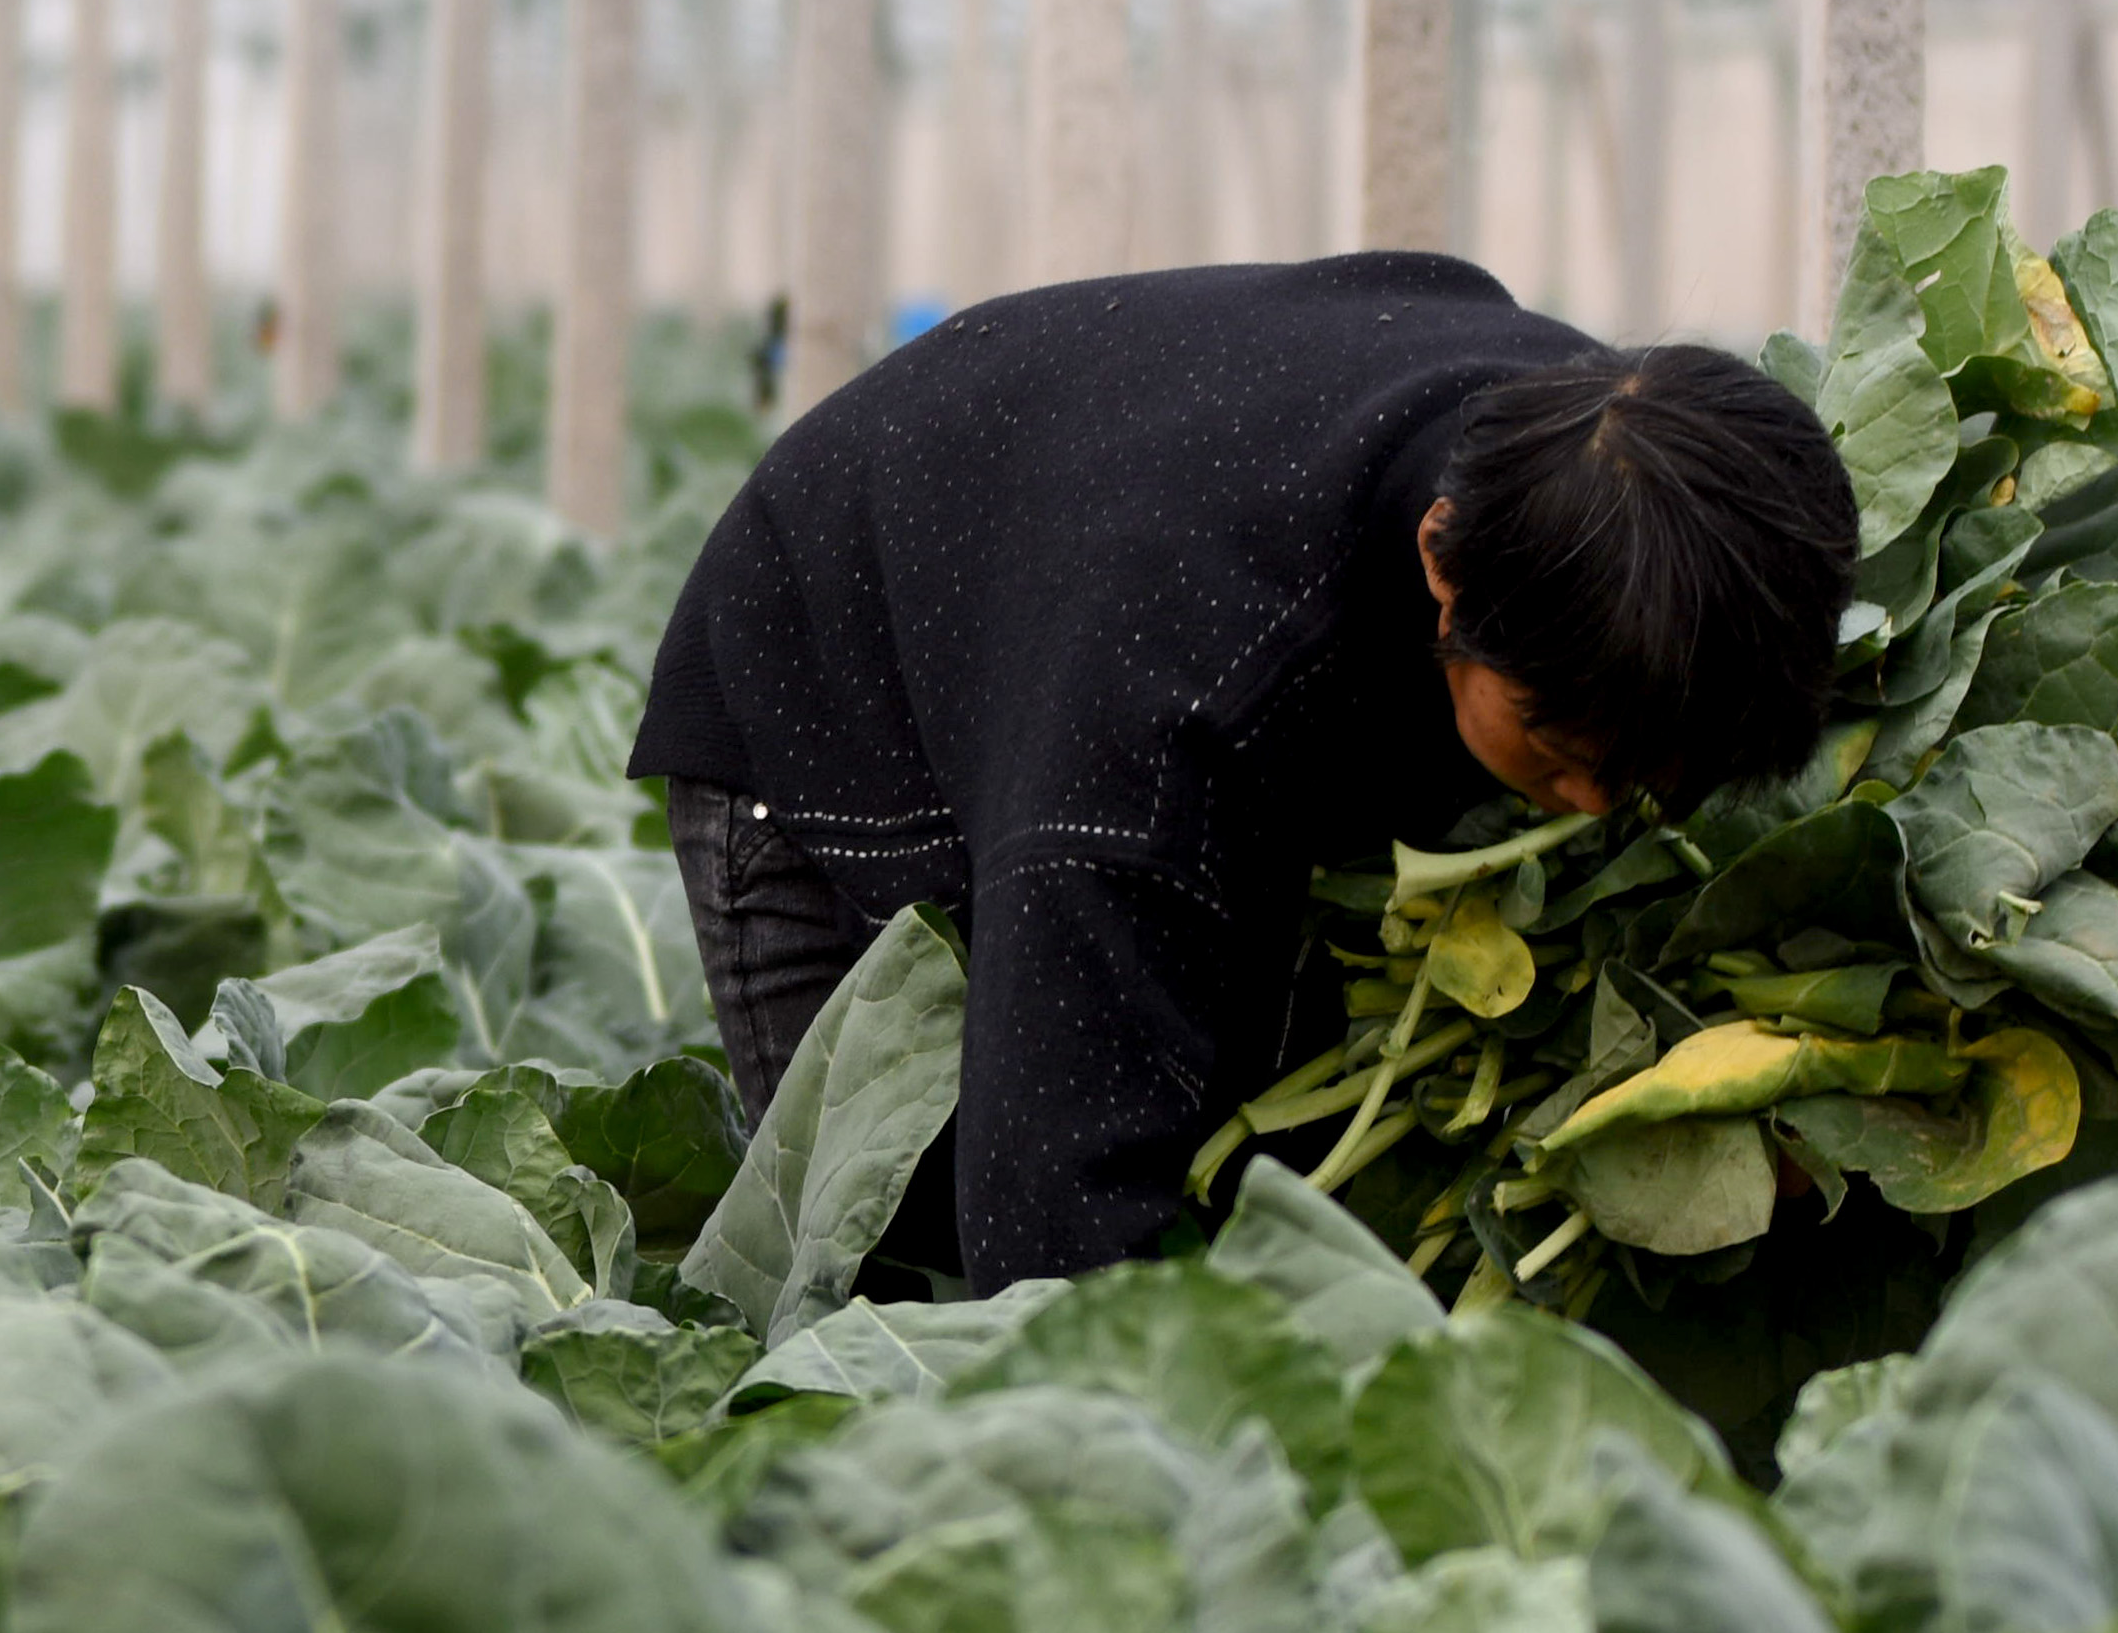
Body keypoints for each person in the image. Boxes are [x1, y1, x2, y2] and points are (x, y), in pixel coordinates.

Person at [633, 253, 1860, 1289]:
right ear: (1443, 565)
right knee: (906, 1273)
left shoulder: (1605, 473)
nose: (1598, 806)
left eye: (1648, 779)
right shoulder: (1161, 725)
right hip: (831, 685)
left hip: (1065, 573)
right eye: (1562, 755)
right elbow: (1051, 1224)